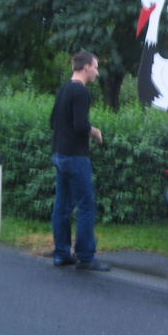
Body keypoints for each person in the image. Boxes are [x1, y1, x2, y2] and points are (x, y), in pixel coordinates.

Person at [50, 51, 110, 271]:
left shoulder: (64, 89)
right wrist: (95, 132)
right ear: (85, 67)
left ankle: (61, 254)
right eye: (95, 67)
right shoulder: (81, 92)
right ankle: (85, 256)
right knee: (86, 206)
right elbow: (80, 125)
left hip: (59, 153)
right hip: (75, 156)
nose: (97, 71)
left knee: (62, 206)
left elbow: (52, 122)